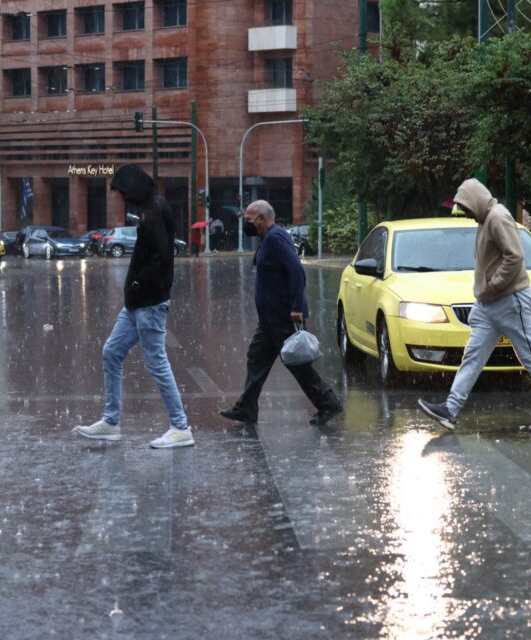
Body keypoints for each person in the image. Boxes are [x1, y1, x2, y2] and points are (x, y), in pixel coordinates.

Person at [418, 178, 531, 432]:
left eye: (465, 207)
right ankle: (450, 409)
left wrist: (491, 287)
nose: (465, 213)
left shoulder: (497, 217)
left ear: (474, 200)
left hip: (509, 299)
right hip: (491, 303)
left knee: (530, 355)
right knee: (473, 357)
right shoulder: (486, 218)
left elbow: (515, 256)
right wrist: (486, 293)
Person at [74, 164, 195, 449]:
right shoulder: (150, 208)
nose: (122, 199)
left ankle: (180, 427)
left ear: (134, 190)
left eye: (123, 193)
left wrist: (139, 284)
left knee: (157, 363)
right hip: (137, 303)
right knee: (112, 352)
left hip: (149, 303)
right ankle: (111, 422)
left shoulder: (154, 210)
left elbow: (161, 257)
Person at [219, 200, 342, 427]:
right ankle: (246, 409)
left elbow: (296, 271)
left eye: (248, 219)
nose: (246, 223)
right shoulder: (269, 238)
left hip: (283, 316)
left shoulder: (275, 238)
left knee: (297, 364)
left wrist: (296, 307)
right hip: (270, 319)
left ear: (261, 219)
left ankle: (329, 403)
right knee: (256, 359)